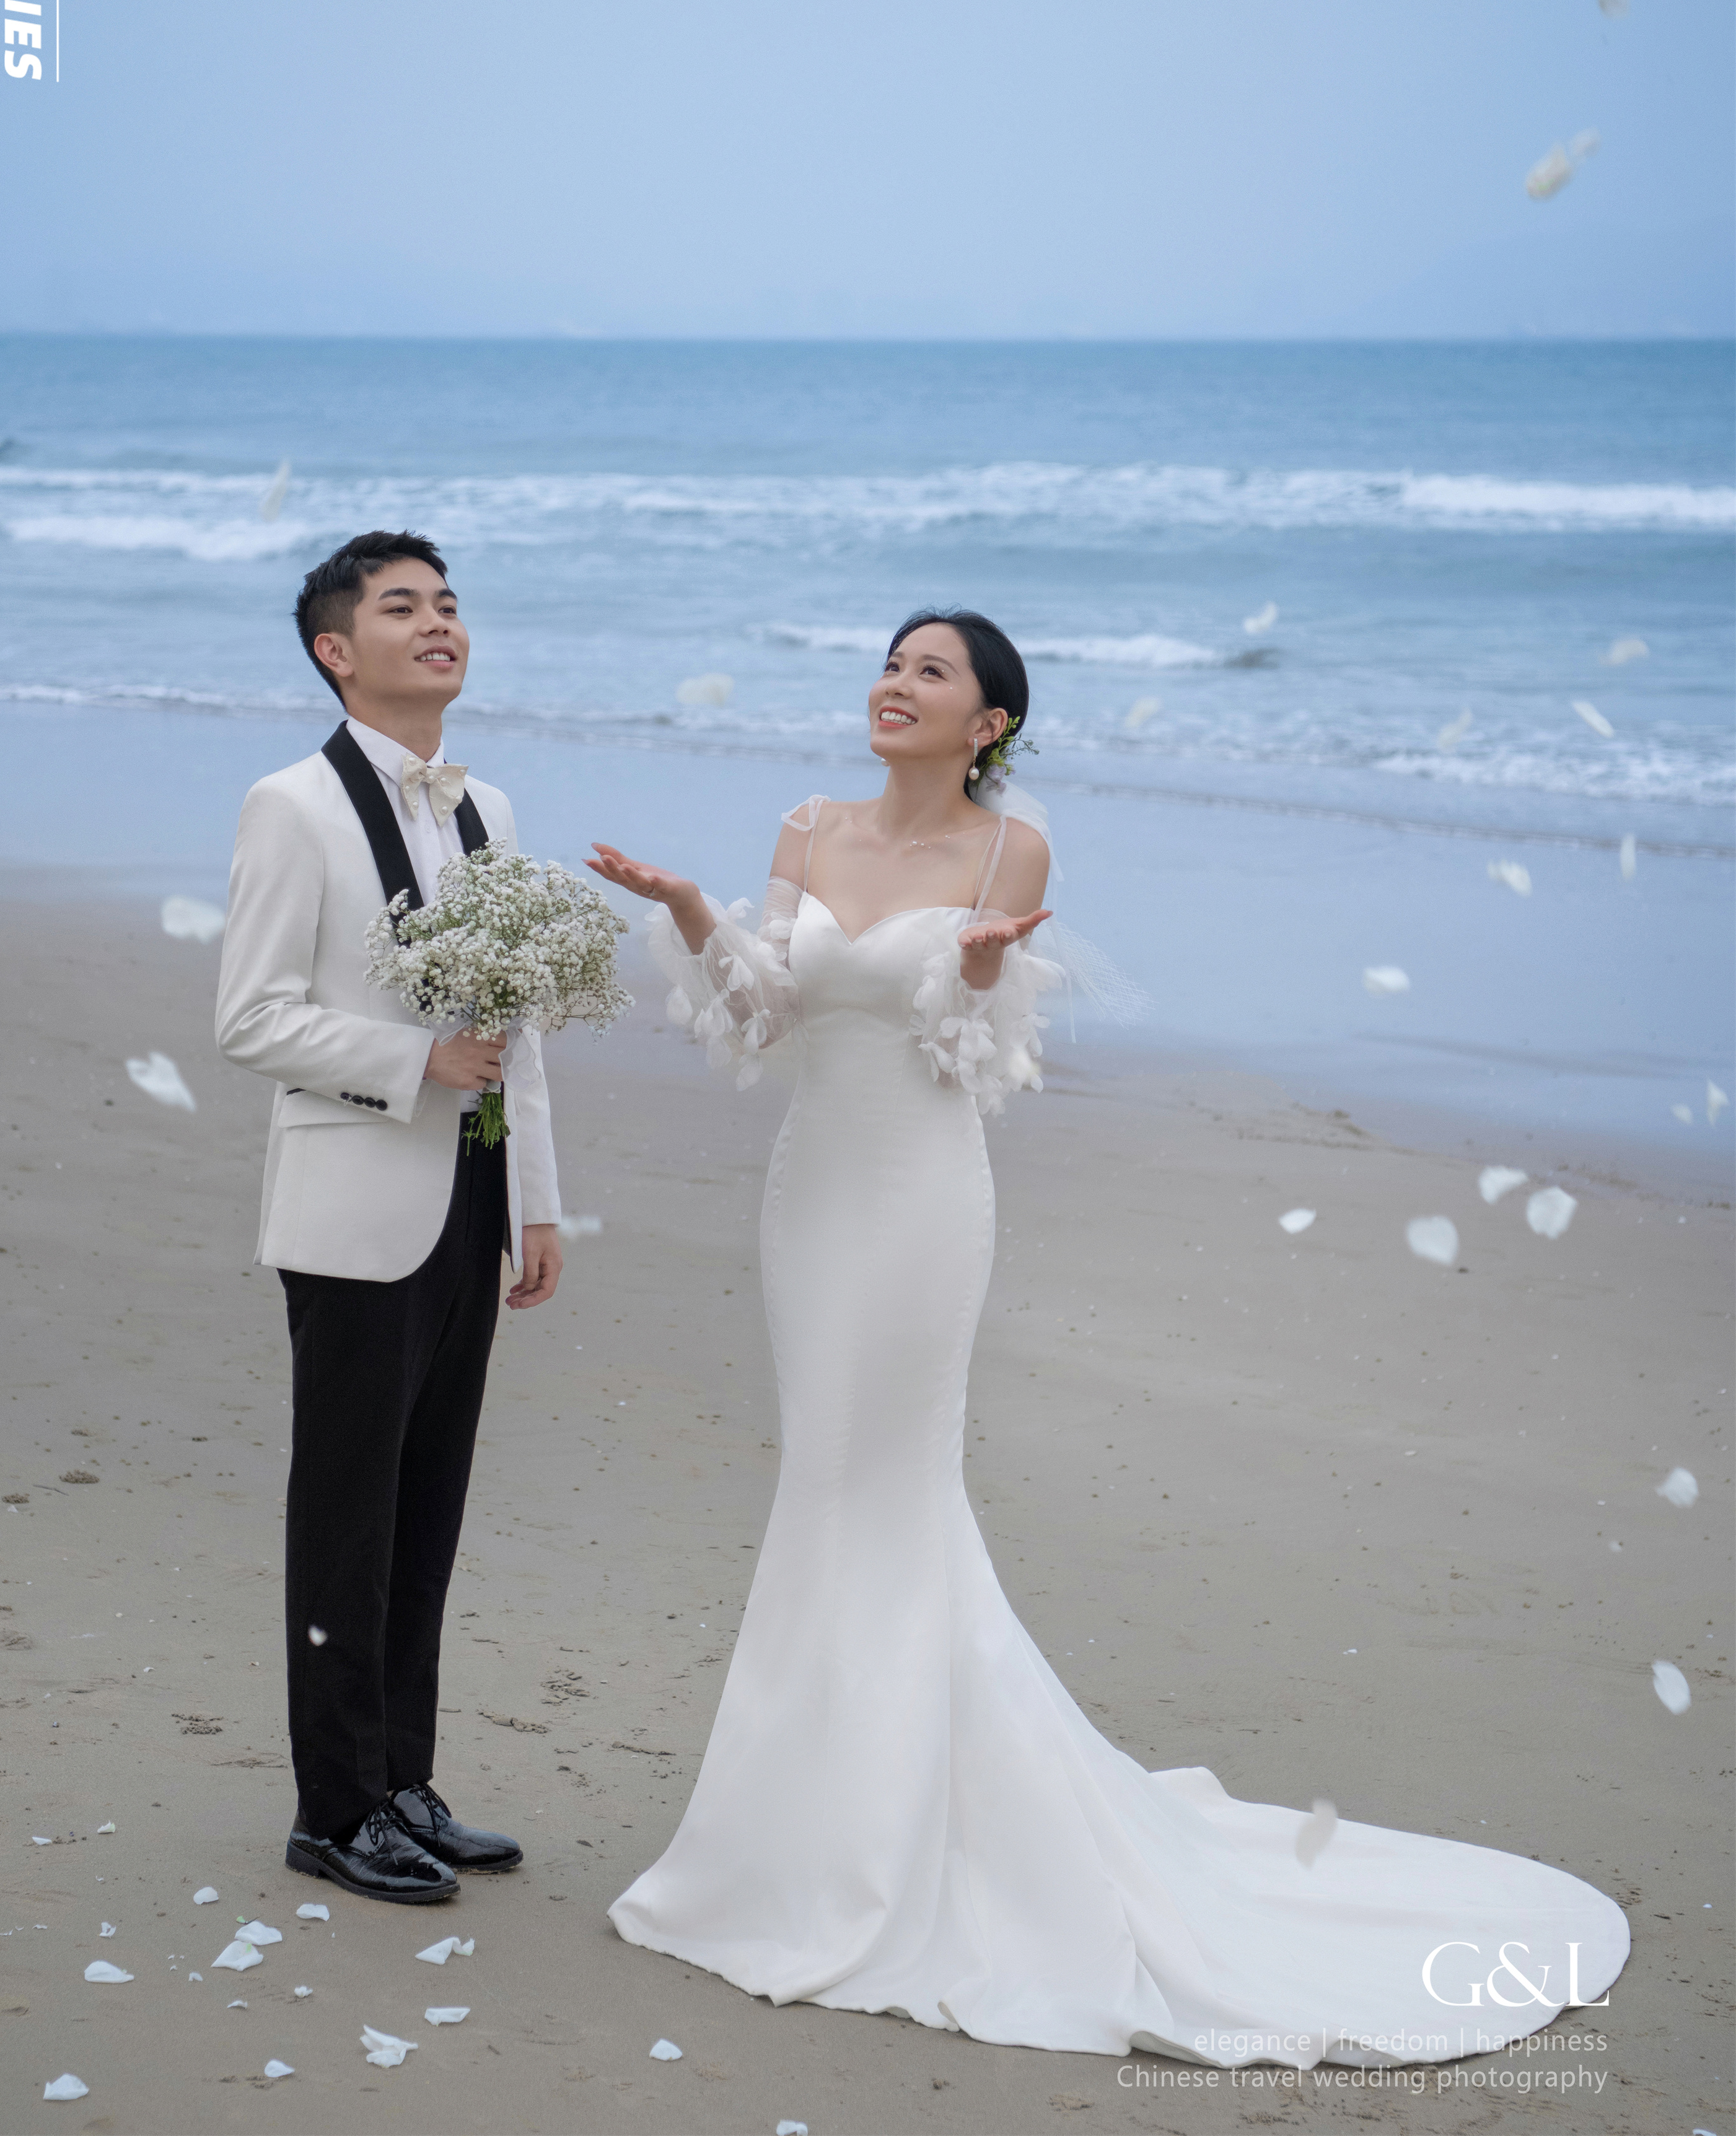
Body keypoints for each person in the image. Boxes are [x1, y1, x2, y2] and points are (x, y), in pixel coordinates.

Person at [586, 608, 1629, 2065]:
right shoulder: (808, 826)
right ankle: (791, 1838)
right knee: (821, 1480)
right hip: (810, 1194)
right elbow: (763, 1015)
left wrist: (982, 970)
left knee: (892, 1487)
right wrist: (695, 911)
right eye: (891, 661)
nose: (895, 682)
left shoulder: (1010, 852)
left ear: (989, 722)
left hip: (924, 1197)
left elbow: (967, 1054)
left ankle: (873, 1843)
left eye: (931, 670)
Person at [216, 530, 564, 1904]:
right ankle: (332, 1807)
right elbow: (251, 1018)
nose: (439, 623)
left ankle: (403, 1781)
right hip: (354, 1203)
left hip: (469, 1200)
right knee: (347, 1519)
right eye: (403, 605)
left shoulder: (489, 810)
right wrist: (416, 1061)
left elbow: (517, 1026)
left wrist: (536, 1200)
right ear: (335, 649)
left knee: (428, 1513)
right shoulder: (291, 804)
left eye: (450, 603)